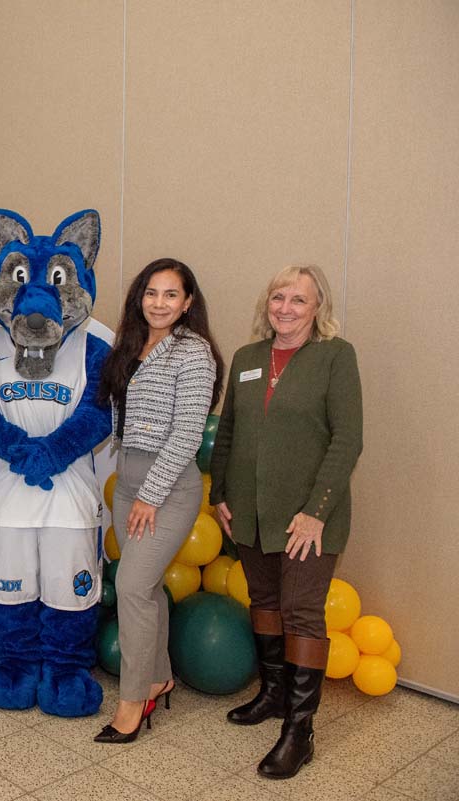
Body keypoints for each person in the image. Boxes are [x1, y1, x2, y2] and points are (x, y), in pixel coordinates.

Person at [210, 264, 362, 779]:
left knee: (301, 612)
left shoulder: (335, 356)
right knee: (265, 601)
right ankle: (274, 693)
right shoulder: (248, 358)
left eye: (299, 299)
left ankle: (300, 730)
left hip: (308, 518)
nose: (286, 308)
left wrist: (316, 513)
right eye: (278, 297)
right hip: (250, 511)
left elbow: (348, 440)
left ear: (318, 307)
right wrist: (220, 494)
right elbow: (228, 432)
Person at [93, 258, 223, 743]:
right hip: (128, 479)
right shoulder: (130, 343)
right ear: (139, 297)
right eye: (151, 292)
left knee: (130, 586)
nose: (159, 303)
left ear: (188, 303)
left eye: (171, 294)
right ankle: (160, 676)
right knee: (145, 589)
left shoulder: (194, 352)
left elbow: (187, 433)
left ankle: (132, 702)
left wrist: (150, 495)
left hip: (166, 487)